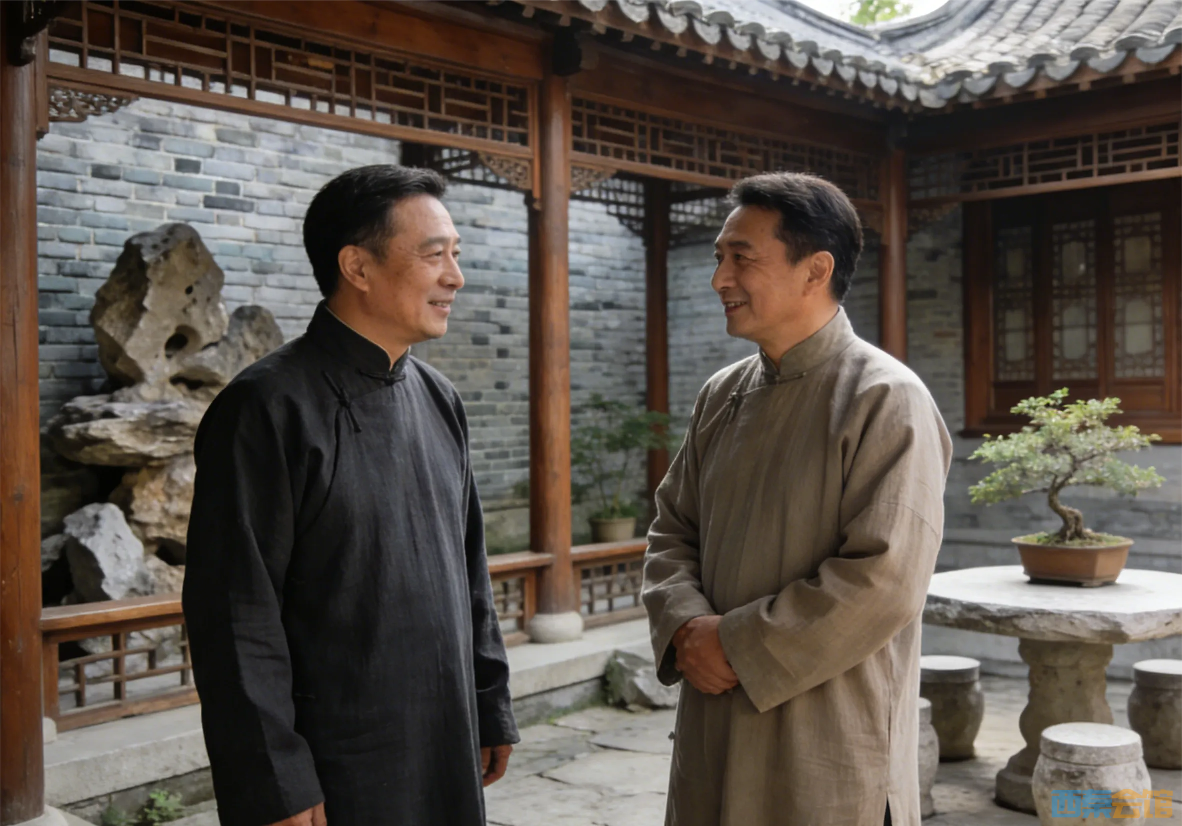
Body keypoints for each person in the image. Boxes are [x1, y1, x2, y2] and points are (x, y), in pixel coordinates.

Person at [183, 165, 518, 826]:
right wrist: (275, 776)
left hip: (445, 732)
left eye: (455, 254)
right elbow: (234, 613)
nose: (455, 276)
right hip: (335, 758)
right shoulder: (265, 407)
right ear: (357, 266)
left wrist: (489, 701)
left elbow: (469, 570)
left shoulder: (439, 398)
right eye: (434, 255)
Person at [643, 172, 953, 826]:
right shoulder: (721, 394)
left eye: (742, 258)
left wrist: (736, 645)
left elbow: (885, 580)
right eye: (719, 258)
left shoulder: (885, 398)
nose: (720, 279)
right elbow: (671, 529)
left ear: (816, 270)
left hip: (827, 732)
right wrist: (686, 626)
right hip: (713, 717)